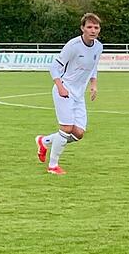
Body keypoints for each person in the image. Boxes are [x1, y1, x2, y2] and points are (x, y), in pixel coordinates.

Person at [35, 13, 103, 175]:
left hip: (78, 95)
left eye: (96, 27)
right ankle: (53, 166)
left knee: (78, 133)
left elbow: (93, 66)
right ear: (82, 28)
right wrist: (60, 87)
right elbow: (54, 67)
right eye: (89, 27)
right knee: (66, 128)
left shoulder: (98, 46)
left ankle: (44, 141)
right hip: (64, 89)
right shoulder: (73, 45)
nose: (93, 30)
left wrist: (93, 84)